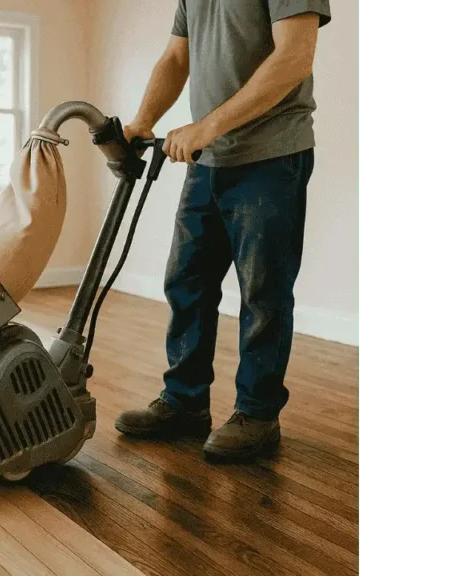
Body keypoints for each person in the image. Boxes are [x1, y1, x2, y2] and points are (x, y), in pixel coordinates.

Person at [114, 0, 332, 461]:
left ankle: (257, 414)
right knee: (186, 281)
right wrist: (141, 122)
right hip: (207, 159)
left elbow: (295, 56)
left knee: (263, 290)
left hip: (271, 157)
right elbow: (176, 58)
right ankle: (185, 403)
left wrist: (206, 126)